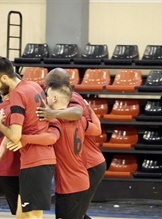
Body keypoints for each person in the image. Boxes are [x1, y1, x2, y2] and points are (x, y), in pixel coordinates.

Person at [0, 56, 56, 219]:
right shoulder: (33, 86)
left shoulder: (17, 94)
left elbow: (15, 135)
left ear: (4, 77)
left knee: (31, 216)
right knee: (23, 216)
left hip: (35, 161)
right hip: (39, 159)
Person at [8, 80, 101, 218]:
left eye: (47, 95)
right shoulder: (80, 120)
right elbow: (97, 129)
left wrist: (24, 139)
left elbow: (51, 138)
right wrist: (90, 110)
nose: (44, 98)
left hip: (69, 184)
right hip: (81, 179)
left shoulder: (55, 121)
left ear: (55, 98)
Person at [36, 68, 106, 219]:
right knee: (77, 214)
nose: (44, 90)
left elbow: (77, 113)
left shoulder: (68, 107)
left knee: (75, 214)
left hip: (86, 167)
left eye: (47, 86)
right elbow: (96, 129)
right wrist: (90, 110)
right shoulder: (74, 114)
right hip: (85, 168)